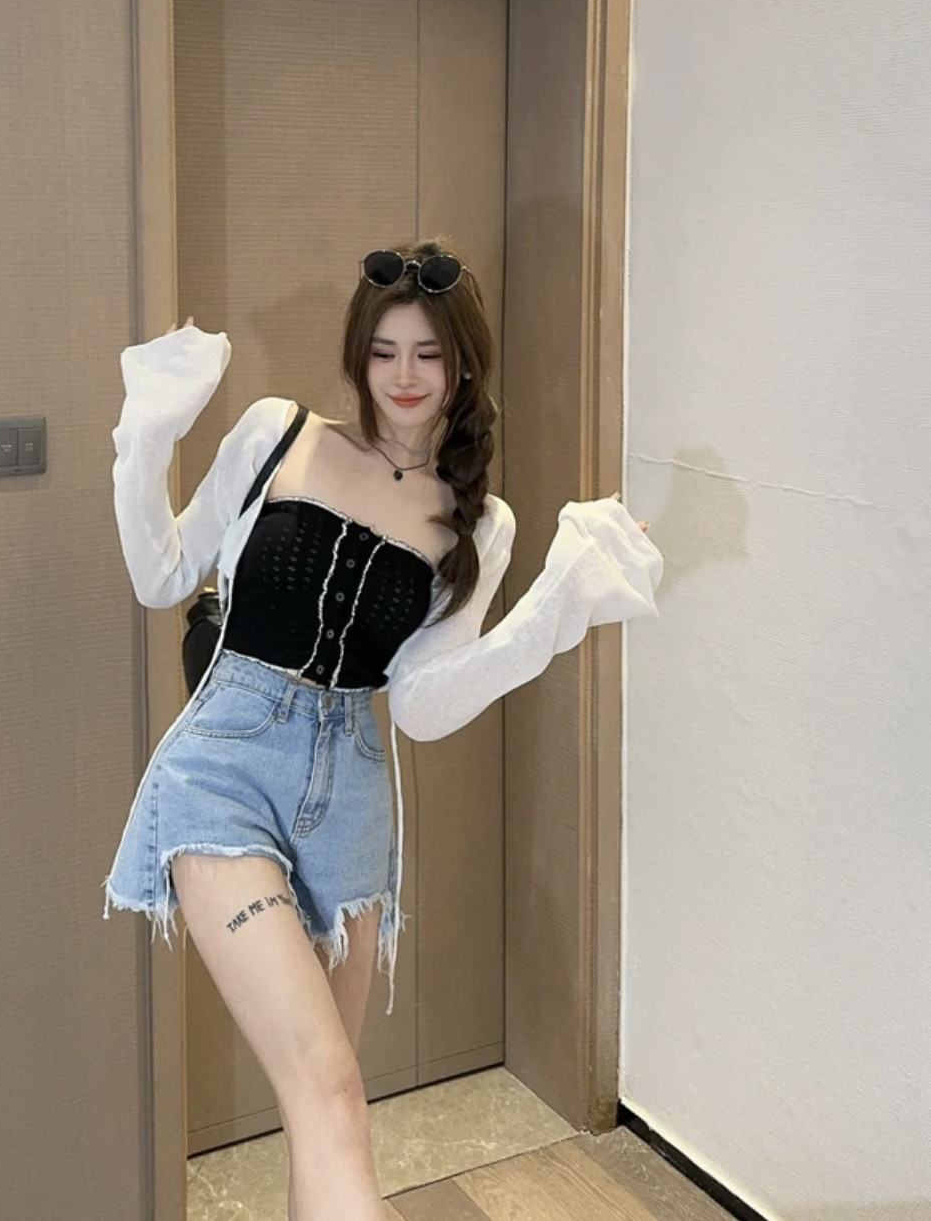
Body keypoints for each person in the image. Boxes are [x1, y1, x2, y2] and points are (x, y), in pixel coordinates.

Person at [102, 238, 663, 1221]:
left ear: (464, 365)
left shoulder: (482, 524)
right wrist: (148, 428)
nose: (405, 376)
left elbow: (423, 704)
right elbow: (161, 573)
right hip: (221, 768)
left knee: (328, 1105)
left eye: (430, 354)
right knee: (329, 1088)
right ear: (358, 355)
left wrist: (556, 608)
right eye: (384, 351)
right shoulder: (277, 435)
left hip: (352, 794)